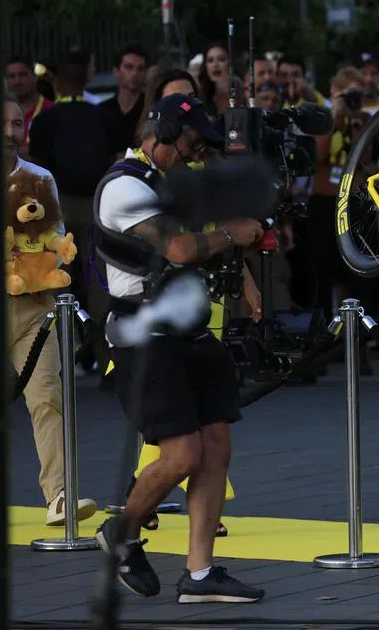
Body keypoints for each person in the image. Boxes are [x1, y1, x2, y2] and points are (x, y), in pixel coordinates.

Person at [93, 94, 266, 603]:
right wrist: (233, 235)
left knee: (216, 445)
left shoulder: (172, 182)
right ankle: (119, 531)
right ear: (163, 131)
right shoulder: (124, 186)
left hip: (189, 330)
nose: (194, 154)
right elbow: (179, 248)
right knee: (182, 453)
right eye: (190, 142)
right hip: (143, 335)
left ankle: (200, 574)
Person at [4, 90, 98, 525]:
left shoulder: (40, 177)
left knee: (48, 398)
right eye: (2, 123)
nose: (10, 132)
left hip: (34, 306)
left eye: (17, 123)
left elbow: (58, 238)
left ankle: (60, 495)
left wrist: (47, 264)